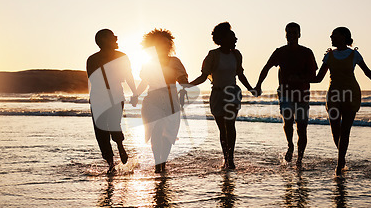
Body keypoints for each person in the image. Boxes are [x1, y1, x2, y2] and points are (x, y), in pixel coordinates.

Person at [313, 27, 371, 177]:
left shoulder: (354, 54)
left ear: (343, 37)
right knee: (335, 131)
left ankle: (339, 164)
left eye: (334, 35)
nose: (331, 37)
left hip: (350, 94)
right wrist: (298, 77)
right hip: (334, 95)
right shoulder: (329, 55)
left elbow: (366, 71)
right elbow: (318, 78)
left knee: (345, 131)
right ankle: (342, 158)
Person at [189, 22, 254, 169]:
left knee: (230, 126)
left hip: (232, 93)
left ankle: (230, 159)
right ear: (223, 38)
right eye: (232, 36)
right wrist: (188, 86)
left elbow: (240, 74)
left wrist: (251, 88)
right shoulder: (213, 55)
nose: (236, 39)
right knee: (222, 130)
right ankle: (226, 157)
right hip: (217, 94)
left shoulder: (236, 55)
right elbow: (204, 76)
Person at [254, 22, 317, 167]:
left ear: (299, 34)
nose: (291, 35)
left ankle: (300, 159)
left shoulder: (307, 52)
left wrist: (300, 78)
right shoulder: (280, 52)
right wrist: (258, 84)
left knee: (302, 128)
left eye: (294, 32)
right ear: (285, 34)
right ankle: (290, 145)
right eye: (289, 32)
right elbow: (266, 68)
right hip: (285, 93)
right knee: (288, 121)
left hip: (302, 94)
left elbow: (313, 75)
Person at [132, 29, 188, 173]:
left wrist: (186, 85)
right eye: (160, 43)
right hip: (153, 100)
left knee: (168, 133)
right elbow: (144, 82)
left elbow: (183, 80)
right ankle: (158, 163)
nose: (165, 45)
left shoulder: (175, 62)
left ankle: (163, 162)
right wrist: (136, 94)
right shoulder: (149, 63)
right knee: (156, 131)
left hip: (171, 100)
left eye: (167, 43)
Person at [87, 28, 137, 173]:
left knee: (113, 124)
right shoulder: (93, 59)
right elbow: (93, 79)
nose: (116, 38)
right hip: (100, 98)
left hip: (113, 96)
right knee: (101, 132)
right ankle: (110, 163)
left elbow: (128, 76)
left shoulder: (121, 56)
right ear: (104, 41)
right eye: (113, 37)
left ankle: (120, 146)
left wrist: (134, 92)